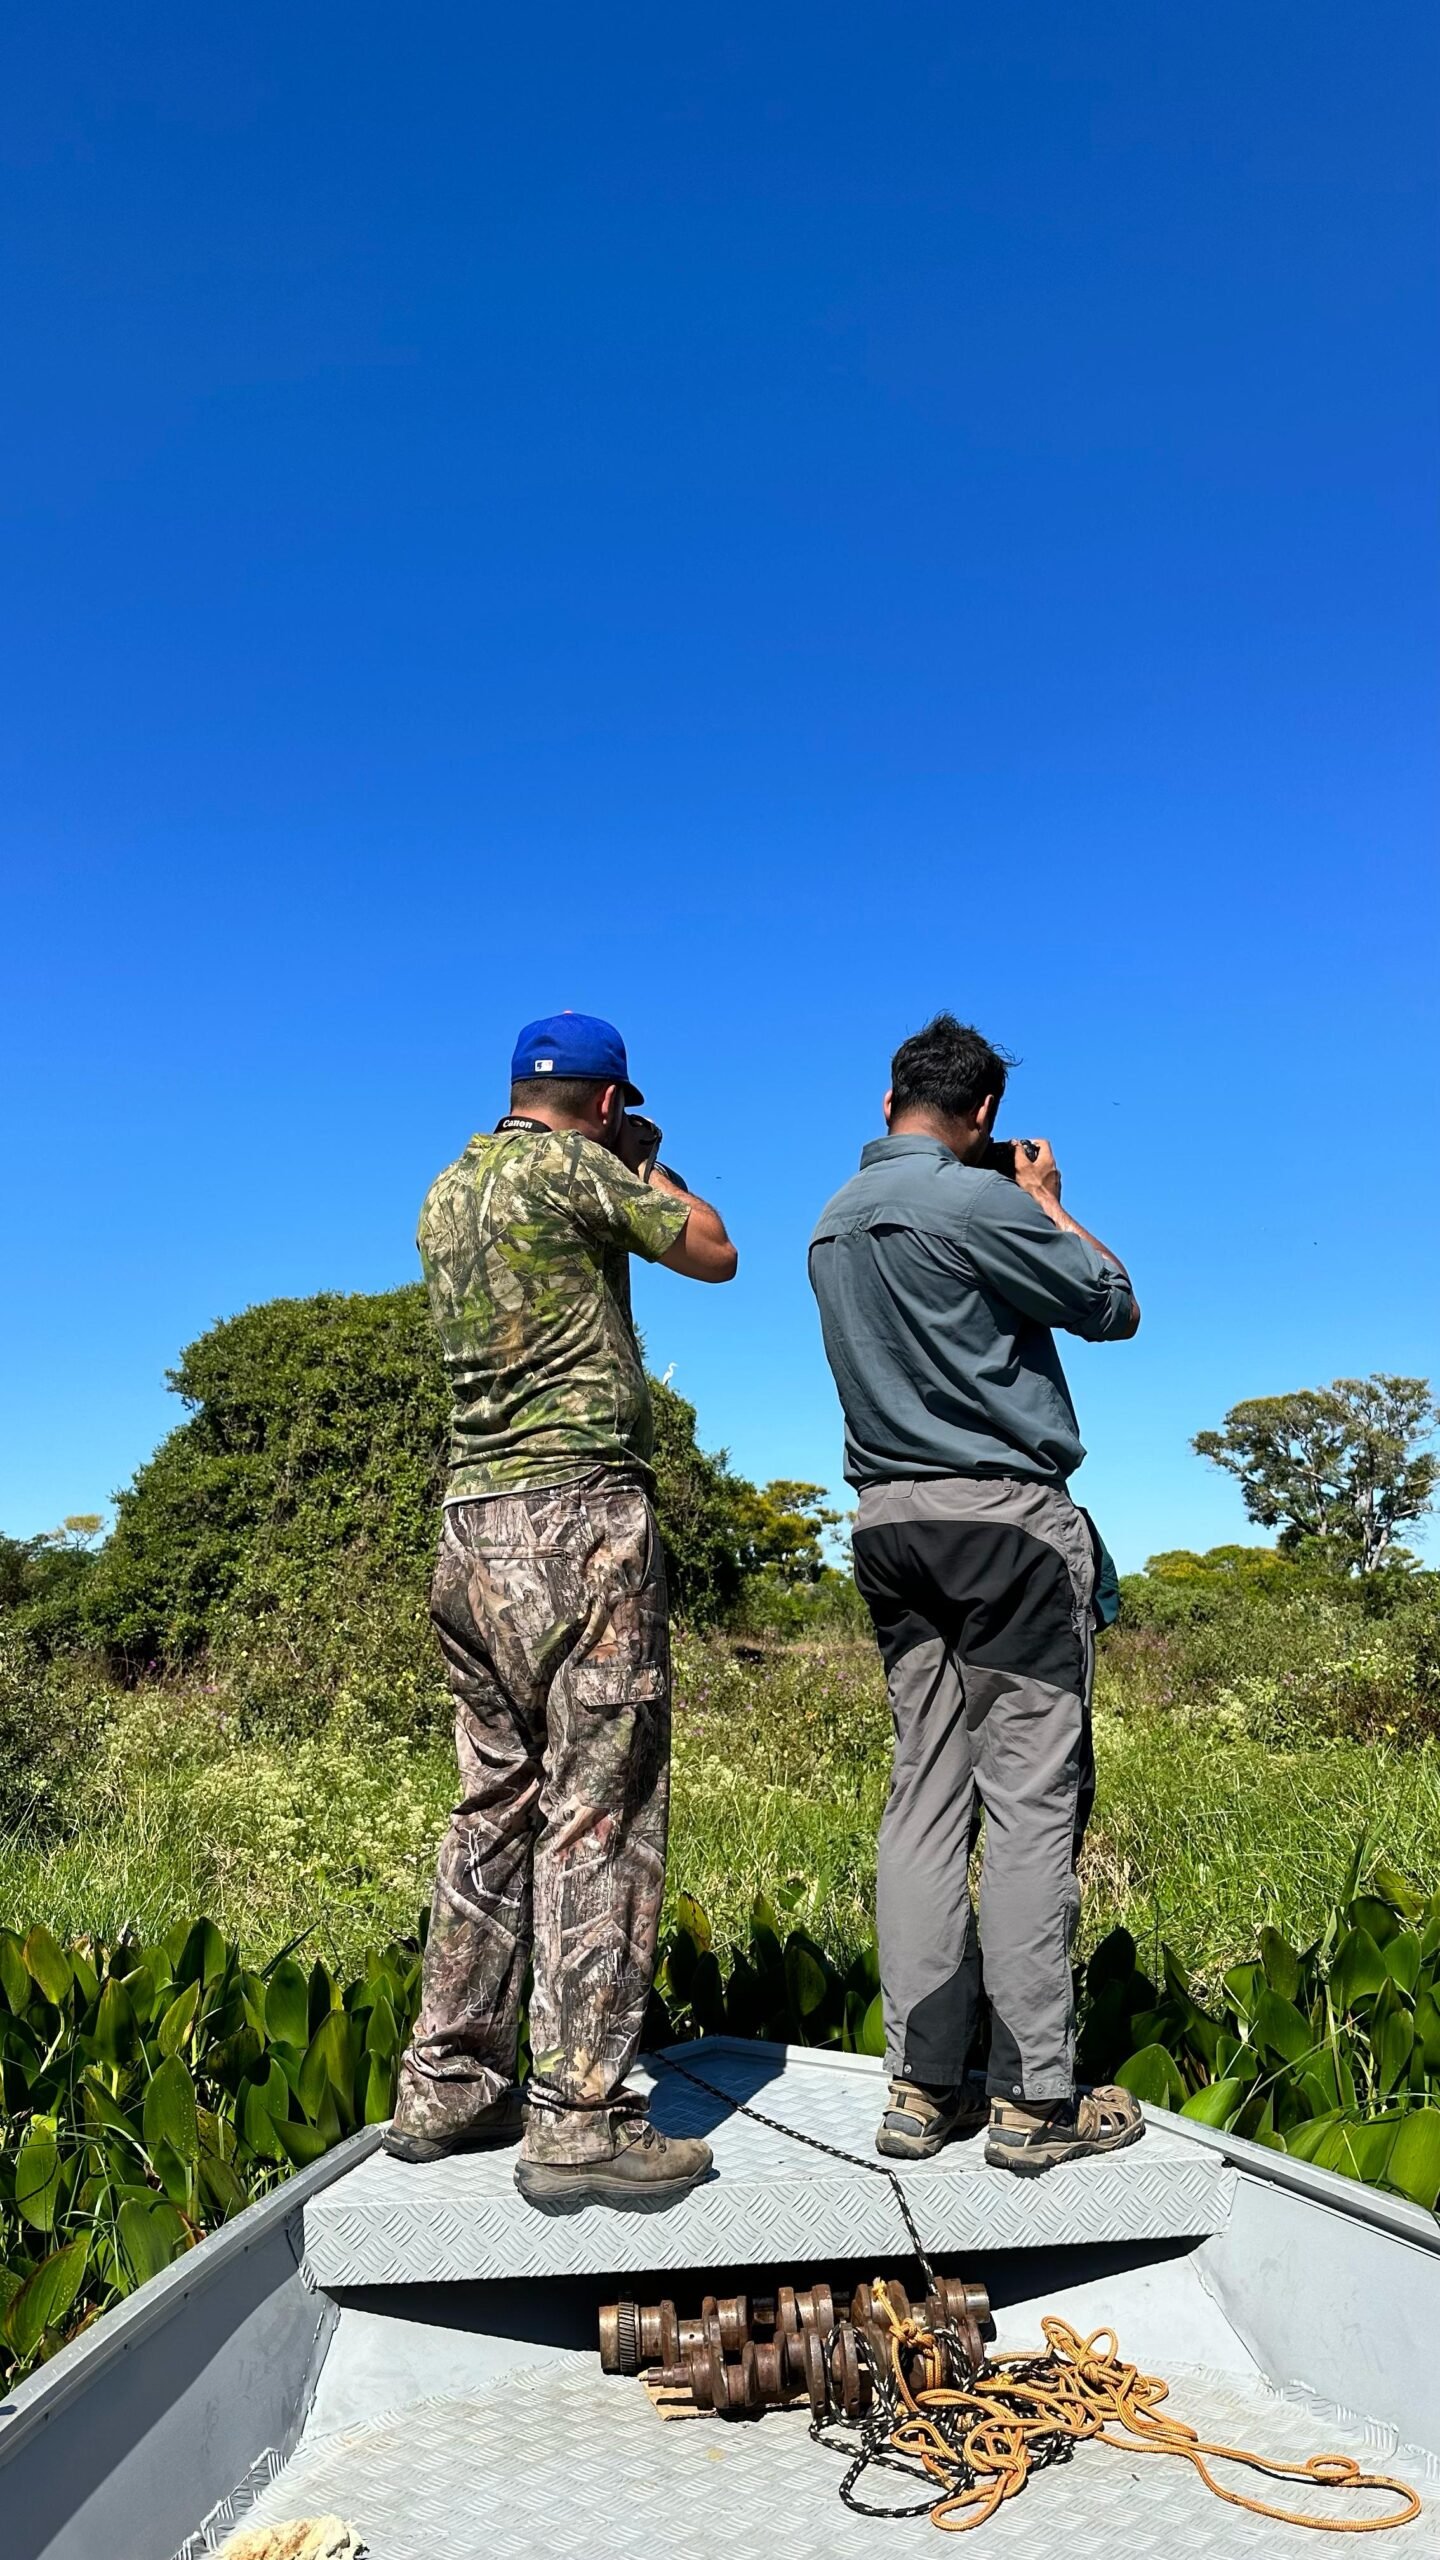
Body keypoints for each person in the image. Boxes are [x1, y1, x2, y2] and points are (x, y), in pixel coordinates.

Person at [387, 1011, 737, 2210]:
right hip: (580, 1518)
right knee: (603, 1810)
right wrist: (645, 1159)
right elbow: (711, 1248)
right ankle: (579, 2117)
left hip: (468, 1527)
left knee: (492, 1803)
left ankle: (448, 2086)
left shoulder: (446, 1188)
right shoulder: (586, 1164)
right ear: (602, 1098)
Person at [808, 1013, 1143, 2176]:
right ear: (985, 1112)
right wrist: (1047, 1197)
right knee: (1033, 1801)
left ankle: (919, 2086)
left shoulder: (833, 1224)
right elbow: (1110, 1302)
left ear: (894, 1093)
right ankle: (1035, 2098)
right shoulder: (980, 1200)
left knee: (924, 1797)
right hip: (1004, 1524)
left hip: (889, 1526)